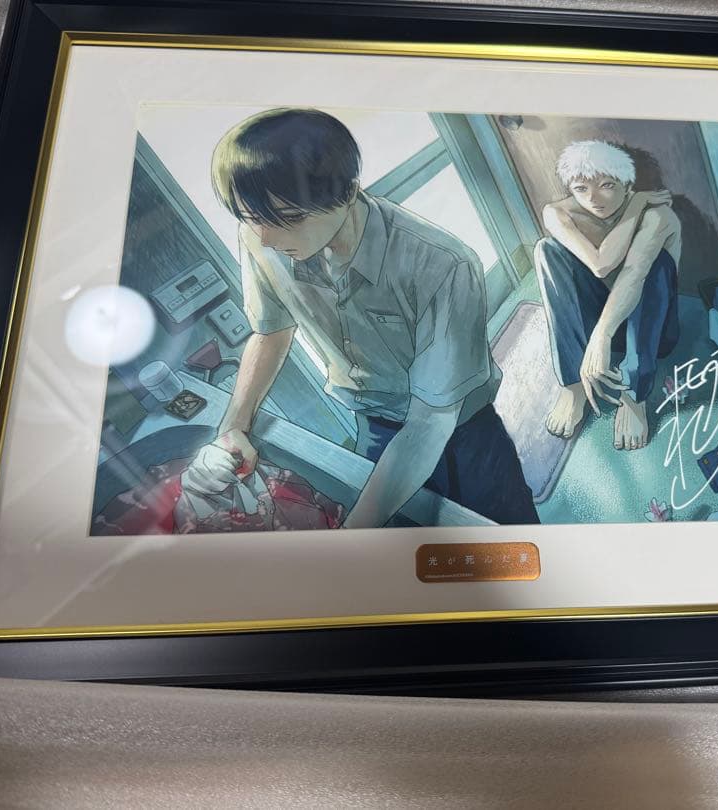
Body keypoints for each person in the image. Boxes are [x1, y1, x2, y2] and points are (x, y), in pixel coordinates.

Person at [183, 108, 539, 528]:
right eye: (251, 219)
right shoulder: (262, 236)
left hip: (464, 427)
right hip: (373, 421)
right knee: (400, 538)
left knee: (507, 535)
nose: (267, 238)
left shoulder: (442, 263)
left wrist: (353, 537)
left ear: (349, 192)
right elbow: (270, 332)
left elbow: (431, 420)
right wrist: (234, 427)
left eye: (290, 218)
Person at [534, 140, 682, 450]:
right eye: (581, 189)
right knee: (547, 250)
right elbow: (601, 264)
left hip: (652, 330)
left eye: (606, 186)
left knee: (654, 265)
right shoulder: (558, 213)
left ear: (627, 185)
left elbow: (631, 275)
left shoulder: (657, 216)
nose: (593, 199)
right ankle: (574, 385)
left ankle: (633, 393)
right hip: (602, 321)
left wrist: (601, 334)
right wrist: (636, 203)